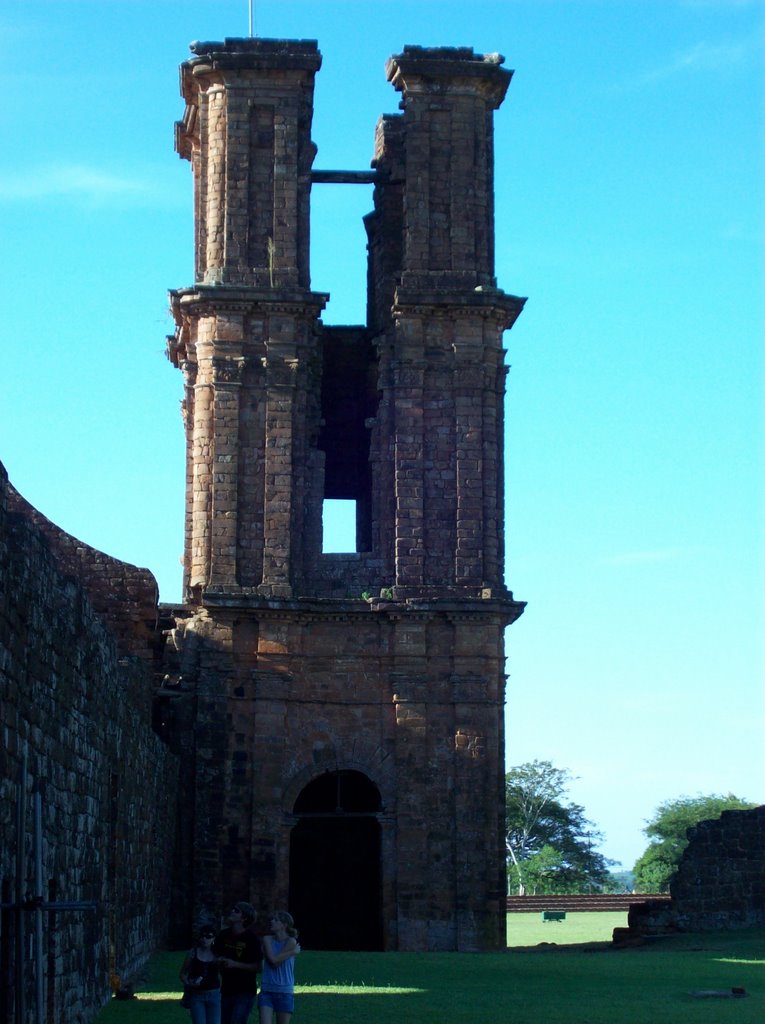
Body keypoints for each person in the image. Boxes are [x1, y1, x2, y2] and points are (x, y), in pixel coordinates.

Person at [214, 902, 262, 1024]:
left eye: (236, 910)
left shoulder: (251, 939)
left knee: (237, 1021)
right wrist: (219, 961)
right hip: (226, 989)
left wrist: (235, 964)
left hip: (245, 990)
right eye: (233, 909)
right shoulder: (224, 935)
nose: (232, 912)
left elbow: (258, 967)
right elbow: (214, 955)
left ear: (244, 917)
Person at [258, 911, 300, 1024]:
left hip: (284, 991)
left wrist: (290, 951)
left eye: (276, 920)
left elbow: (276, 962)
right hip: (267, 990)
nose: (272, 921)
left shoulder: (291, 941)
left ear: (284, 925)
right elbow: (273, 961)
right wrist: (292, 952)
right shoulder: (267, 939)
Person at [179, 926, 221, 1024]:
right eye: (202, 936)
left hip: (214, 994)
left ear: (214, 938)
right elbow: (182, 974)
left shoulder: (217, 954)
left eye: (208, 937)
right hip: (197, 995)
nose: (204, 939)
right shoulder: (193, 953)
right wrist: (189, 984)